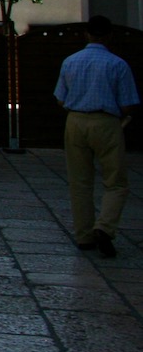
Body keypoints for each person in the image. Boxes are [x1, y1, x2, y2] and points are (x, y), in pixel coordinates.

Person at [54, 15, 140, 258]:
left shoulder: (70, 62)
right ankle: (104, 226)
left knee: (79, 181)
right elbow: (128, 104)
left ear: (86, 34)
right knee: (116, 181)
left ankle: (84, 236)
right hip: (106, 122)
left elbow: (60, 97)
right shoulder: (117, 64)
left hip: (76, 121)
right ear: (109, 35)